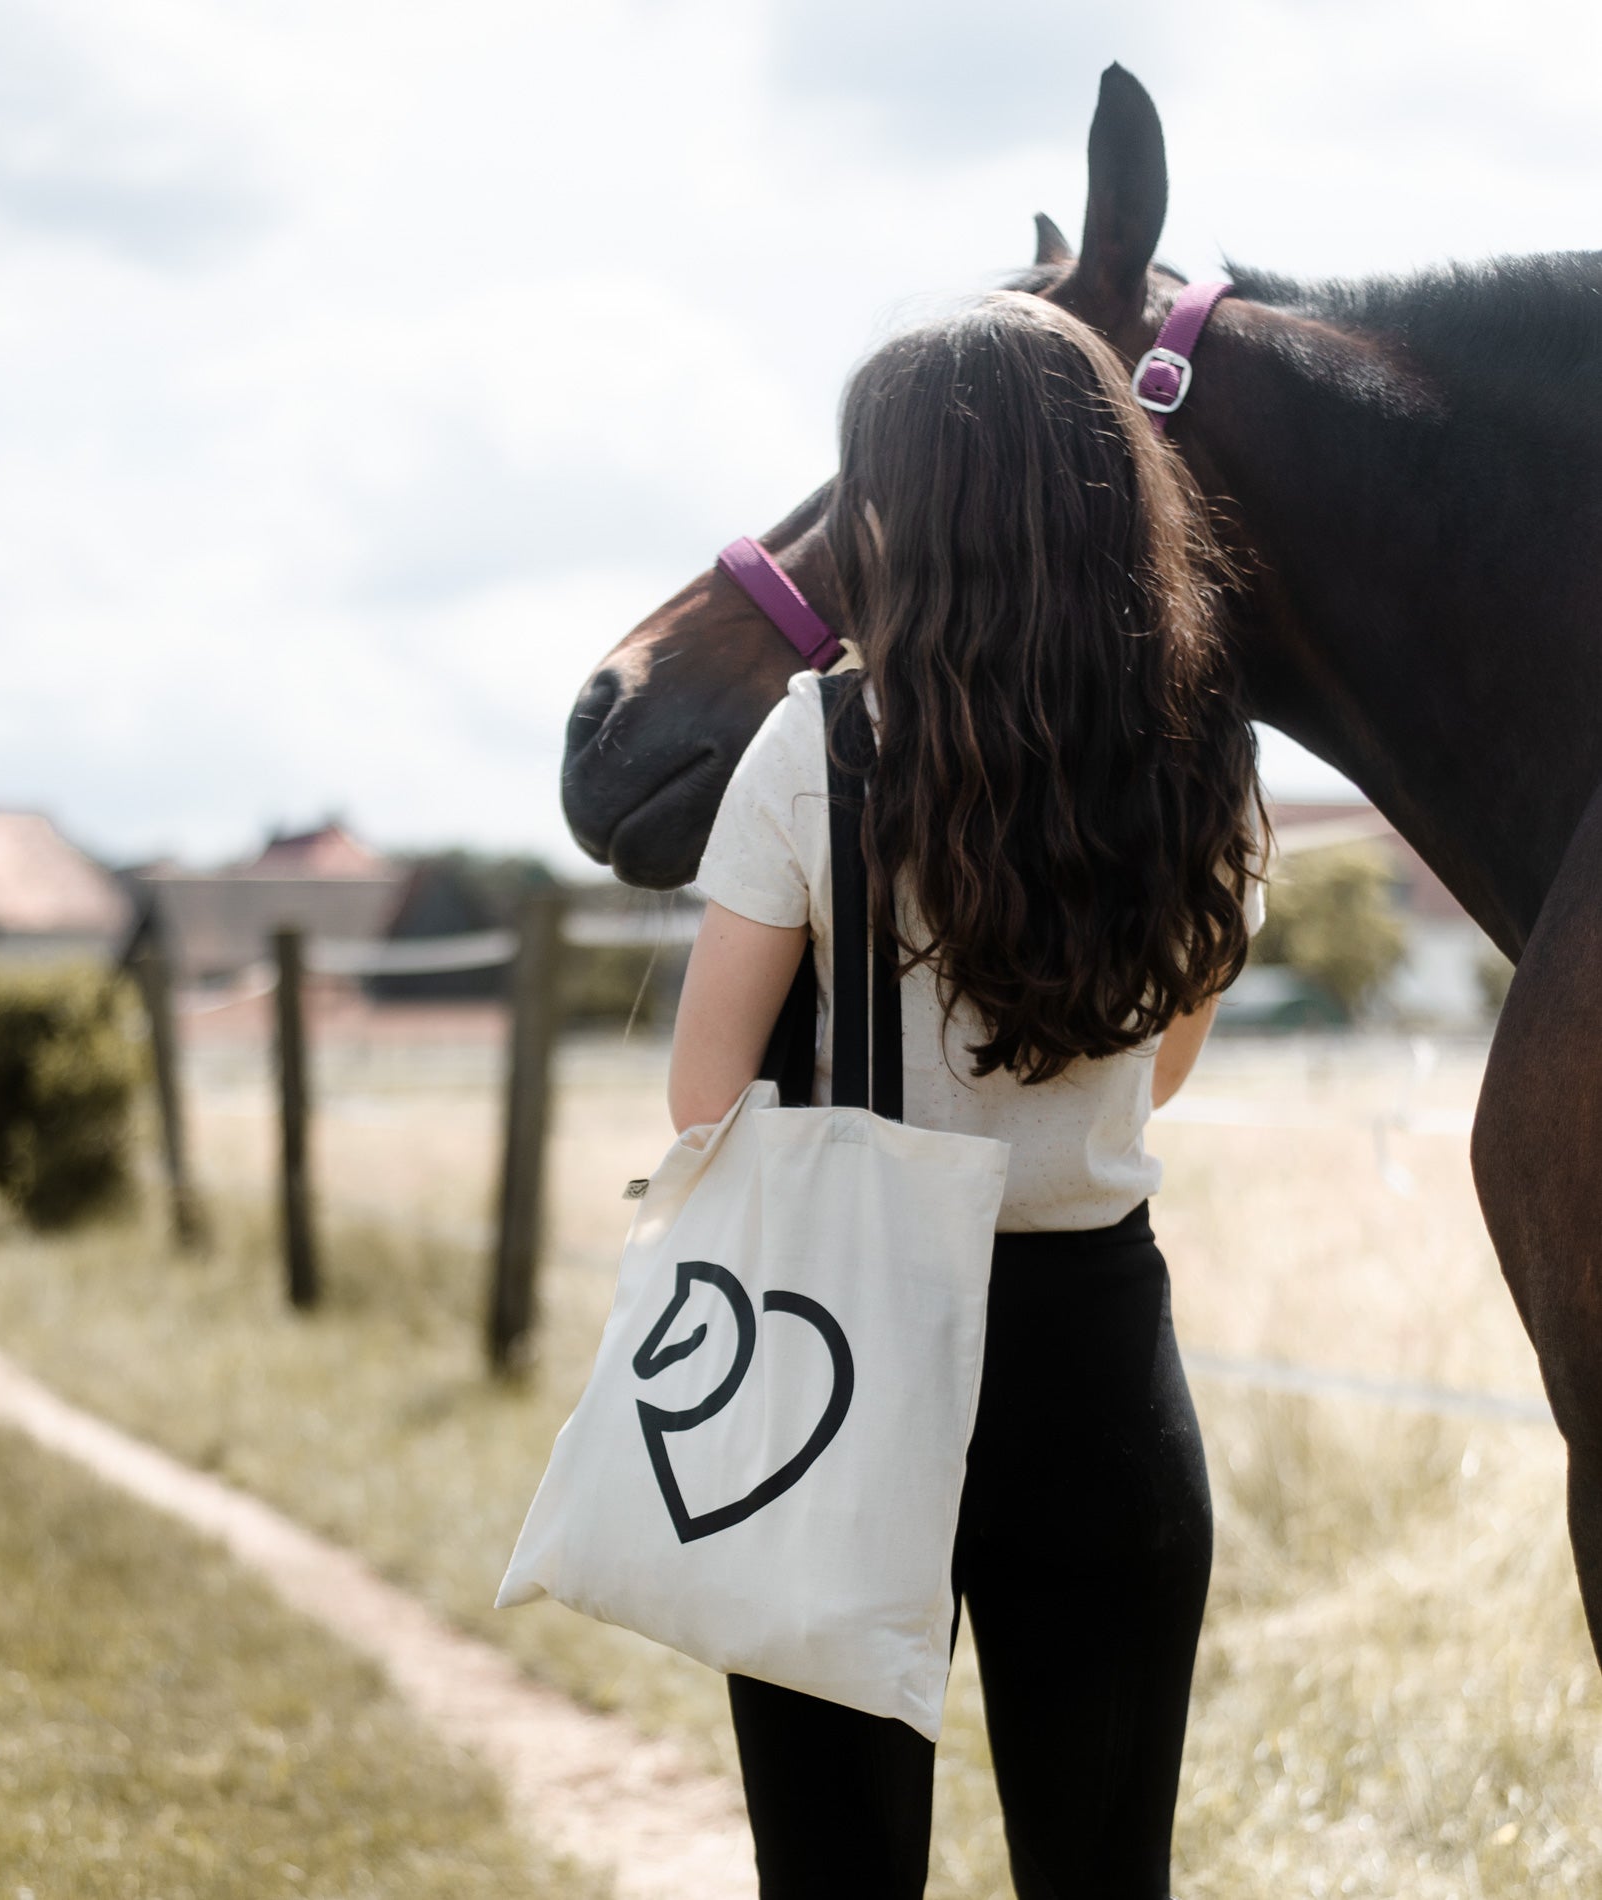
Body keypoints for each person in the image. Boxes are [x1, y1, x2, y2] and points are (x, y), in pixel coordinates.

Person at [669, 292, 1267, 1900]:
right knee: (1102, 1872)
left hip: (847, 1359)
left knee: (838, 1874)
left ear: (898, 507)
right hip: (1100, 1363)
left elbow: (703, 1089)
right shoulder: (1203, 738)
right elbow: (1170, 1051)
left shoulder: (818, 745)